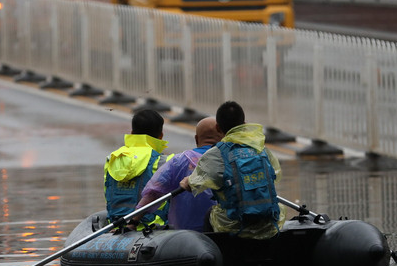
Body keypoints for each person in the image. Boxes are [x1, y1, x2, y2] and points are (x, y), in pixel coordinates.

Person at [179, 101, 285, 239]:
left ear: (217, 128)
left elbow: (195, 184)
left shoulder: (215, 154)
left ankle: (215, 253)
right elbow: (276, 175)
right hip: (268, 220)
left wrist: (186, 181)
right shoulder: (261, 149)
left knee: (210, 213)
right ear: (244, 124)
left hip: (235, 224)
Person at [134, 117, 223, 232]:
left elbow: (153, 194)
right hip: (221, 233)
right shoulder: (230, 160)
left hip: (183, 235)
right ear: (223, 136)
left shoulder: (179, 161)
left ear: (196, 139)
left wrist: (133, 222)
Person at [104, 109, 168, 227]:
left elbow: (107, 194)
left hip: (116, 226)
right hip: (152, 229)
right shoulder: (164, 162)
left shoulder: (112, 159)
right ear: (161, 136)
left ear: (132, 133)